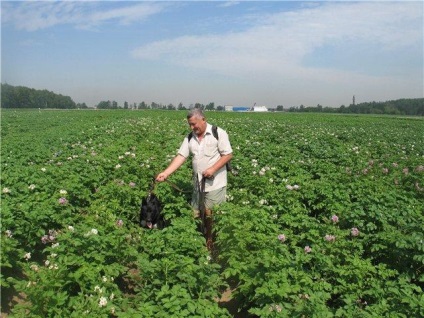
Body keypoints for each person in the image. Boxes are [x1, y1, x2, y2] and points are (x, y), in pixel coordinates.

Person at [156, 108, 233, 250]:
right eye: (190, 125)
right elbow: (181, 156)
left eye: (194, 124)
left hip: (215, 183)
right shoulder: (190, 137)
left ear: (203, 119)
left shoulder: (218, 133)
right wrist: (166, 173)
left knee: (211, 213)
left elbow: (228, 155)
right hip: (198, 183)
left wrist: (213, 169)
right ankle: (196, 240)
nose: (192, 127)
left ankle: (210, 240)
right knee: (195, 213)